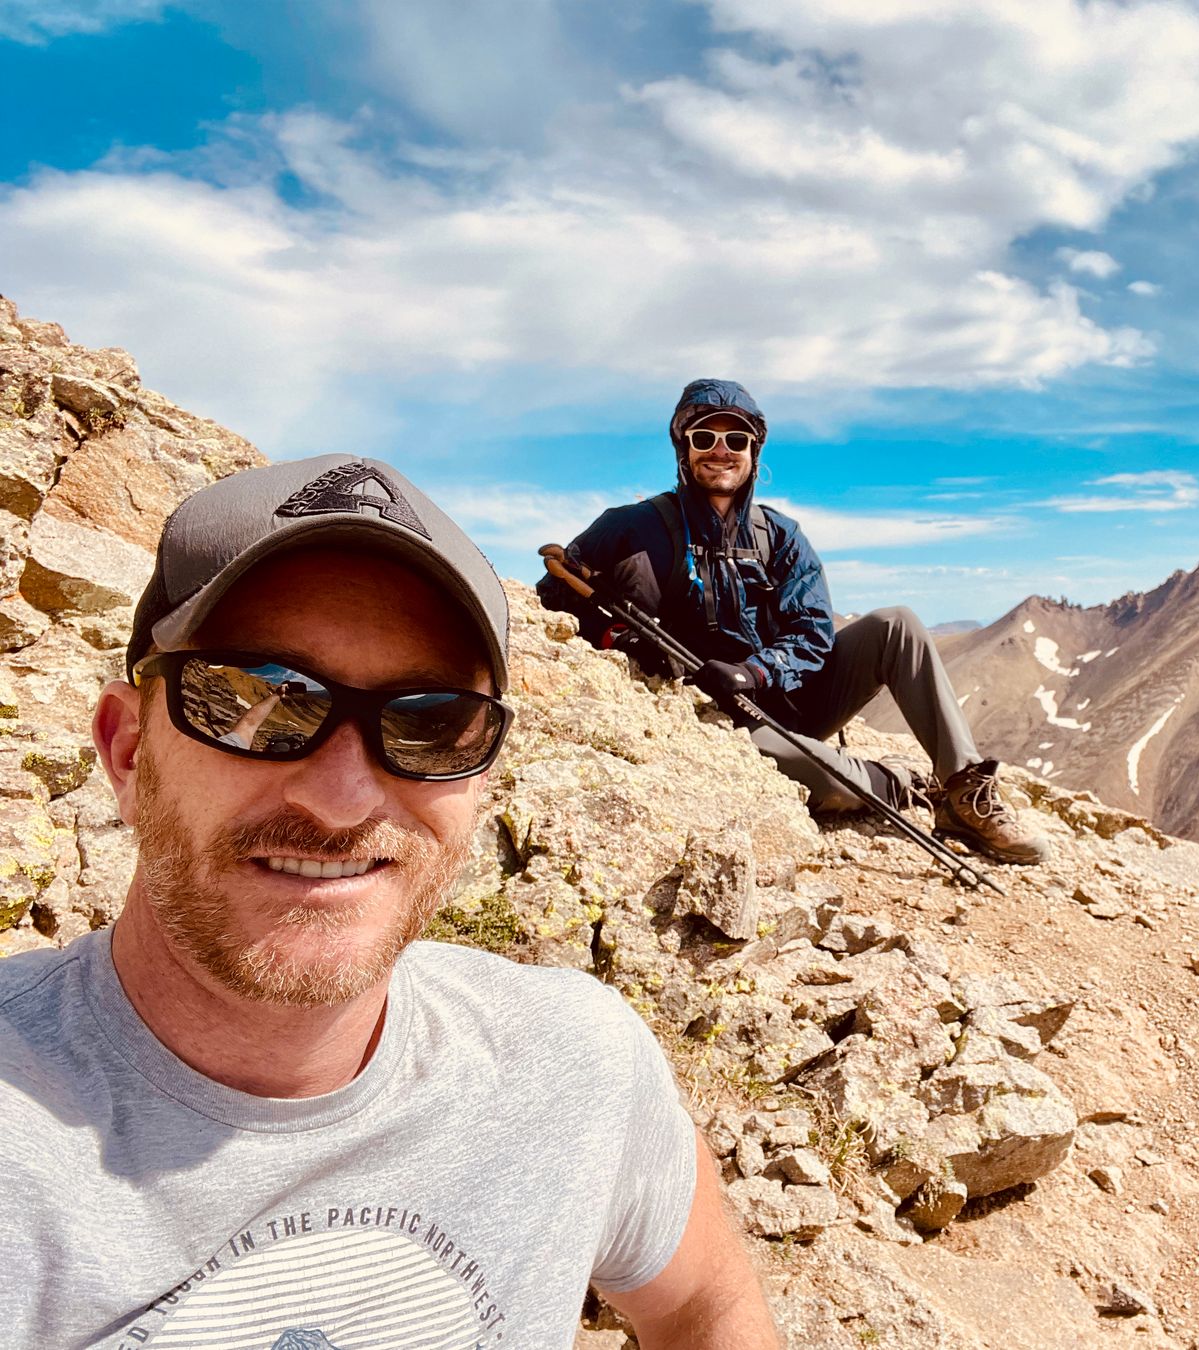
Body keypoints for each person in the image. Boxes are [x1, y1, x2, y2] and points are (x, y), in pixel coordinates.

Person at [0, 455, 780, 1348]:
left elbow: (705, 1308)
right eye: (258, 699)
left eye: (432, 721)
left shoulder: (577, 1068)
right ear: (129, 751)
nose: (341, 798)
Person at [539, 379, 1049, 865]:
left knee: (898, 623)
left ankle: (965, 792)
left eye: (735, 438)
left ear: (753, 450)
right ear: (684, 447)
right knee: (814, 778)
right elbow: (557, 595)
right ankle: (897, 782)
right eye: (705, 437)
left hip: (788, 696)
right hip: (724, 722)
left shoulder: (780, 535)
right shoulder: (631, 525)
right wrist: (617, 637)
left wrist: (755, 672)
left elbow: (813, 633)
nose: (721, 449)